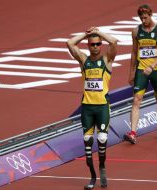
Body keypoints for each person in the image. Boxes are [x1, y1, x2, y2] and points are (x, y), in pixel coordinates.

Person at [67, 27, 117, 189]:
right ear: (88, 46)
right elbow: (70, 43)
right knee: (87, 143)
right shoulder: (84, 60)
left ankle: (102, 166)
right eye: (92, 44)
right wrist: (86, 34)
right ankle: (93, 176)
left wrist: (99, 32)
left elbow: (114, 42)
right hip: (87, 108)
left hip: (102, 107)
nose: (95, 46)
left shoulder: (106, 60)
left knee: (102, 140)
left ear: (101, 45)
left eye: (98, 44)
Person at [124, 4, 157, 144]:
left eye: (145, 17)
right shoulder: (136, 31)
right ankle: (132, 133)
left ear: (150, 15)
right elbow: (134, 51)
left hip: (156, 71)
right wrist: (131, 73)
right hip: (141, 71)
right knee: (136, 100)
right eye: (141, 18)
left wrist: (152, 65)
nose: (143, 21)